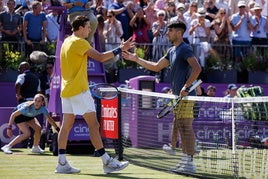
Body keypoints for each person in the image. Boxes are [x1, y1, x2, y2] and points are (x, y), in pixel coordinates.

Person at [55, 15, 135, 174]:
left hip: (67, 91)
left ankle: (61, 163)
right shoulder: (79, 42)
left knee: (66, 126)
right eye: (87, 27)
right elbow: (100, 57)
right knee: (94, 125)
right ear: (80, 28)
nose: (90, 29)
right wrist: (120, 49)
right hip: (78, 90)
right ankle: (107, 162)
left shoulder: (66, 42)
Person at [122, 21, 202, 174]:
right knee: (181, 127)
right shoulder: (171, 50)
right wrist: (136, 59)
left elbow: (197, 68)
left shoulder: (185, 49)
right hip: (177, 96)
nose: (167, 33)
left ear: (179, 33)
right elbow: (156, 67)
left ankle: (190, 163)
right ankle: (185, 161)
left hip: (186, 96)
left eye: (170, 30)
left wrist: (186, 87)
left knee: (186, 127)